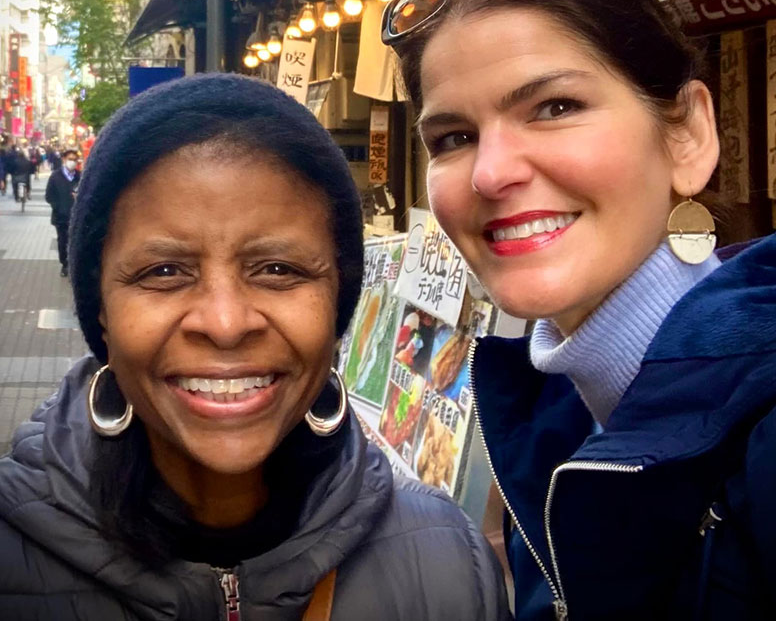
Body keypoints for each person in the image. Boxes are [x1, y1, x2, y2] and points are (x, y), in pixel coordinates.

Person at [382, 0, 776, 619]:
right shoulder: (551, 439)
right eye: (454, 137)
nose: (490, 173)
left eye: (555, 107)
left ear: (687, 136)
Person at [0, 74, 510, 621]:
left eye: (278, 269)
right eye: (164, 271)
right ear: (100, 307)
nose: (225, 324)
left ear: (338, 301)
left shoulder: (448, 566)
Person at [45, 147, 81, 276]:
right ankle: (65, 264)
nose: (72, 162)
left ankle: (74, 265)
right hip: (61, 217)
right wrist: (59, 207)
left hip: (77, 217)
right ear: (64, 159)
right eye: (70, 159)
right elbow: (49, 196)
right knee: (63, 241)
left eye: (75, 160)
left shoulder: (80, 176)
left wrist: (79, 198)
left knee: (76, 242)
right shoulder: (55, 176)